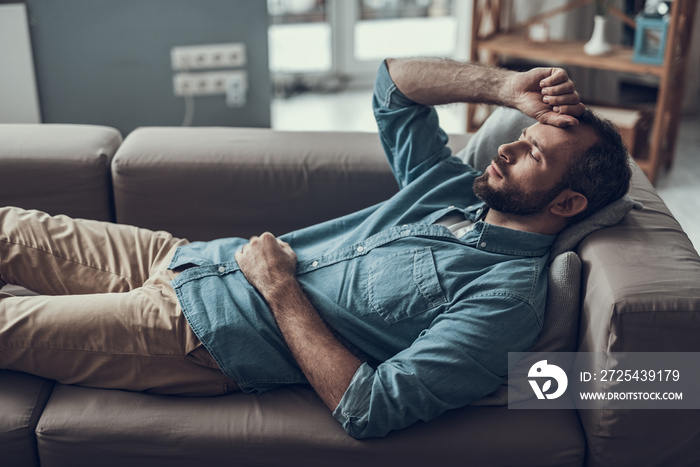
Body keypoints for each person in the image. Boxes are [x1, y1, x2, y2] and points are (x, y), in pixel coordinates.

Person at [0, 57, 631, 439]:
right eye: (522, 136)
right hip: (185, 259)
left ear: (568, 204)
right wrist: (505, 88)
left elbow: (372, 407)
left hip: (194, 337)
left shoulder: (503, 301)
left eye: (534, 155)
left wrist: (279, 291)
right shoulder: (453, 189)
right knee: (9, 227)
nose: (507, 147)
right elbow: (393, 88)